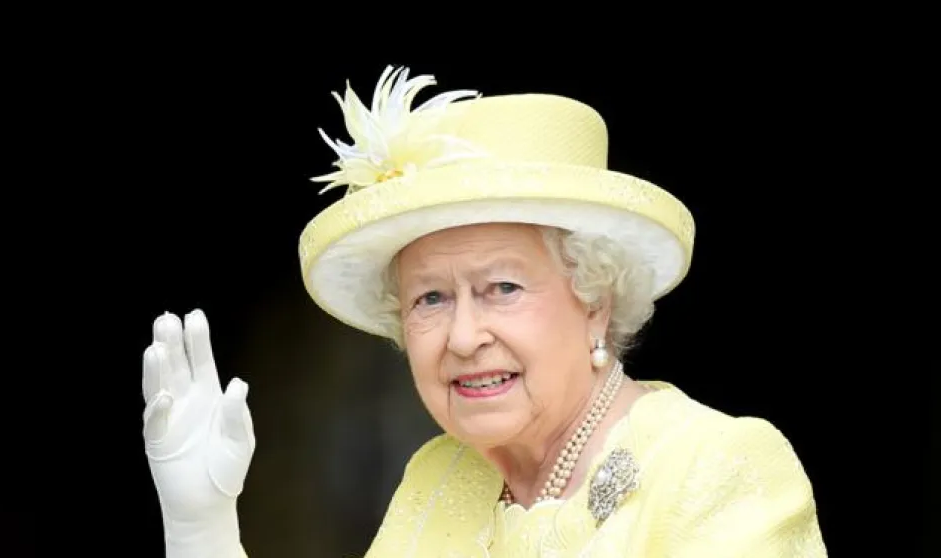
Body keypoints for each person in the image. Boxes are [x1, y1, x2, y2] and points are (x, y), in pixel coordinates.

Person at [141, 65, 828, 557]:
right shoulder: (440, 478)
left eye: (502, 288)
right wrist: (201, 529)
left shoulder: (717, 463)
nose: (464, 336)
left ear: (595, 299)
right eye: (431, 298)